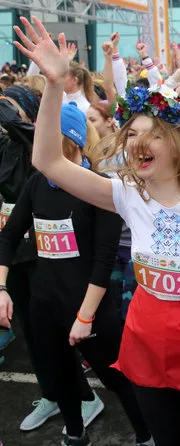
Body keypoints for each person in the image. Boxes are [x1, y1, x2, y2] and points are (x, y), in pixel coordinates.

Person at [12, 17, 180, 446]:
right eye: (132, 134)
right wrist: (54, 85)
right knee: (164, 440)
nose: (137, 143)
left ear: (177, 142)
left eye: (152, 134)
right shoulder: (126, 194)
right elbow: (48, 161)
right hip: (146, 337)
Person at [0, 100, 151, 446]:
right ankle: (74, 433)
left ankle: (146, 436)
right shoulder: (37, 185)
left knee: (116, 378)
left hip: (91, 308)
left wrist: (85, 316)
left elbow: (103, 259)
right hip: (45, 305)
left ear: (68, 141)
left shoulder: (100, 189)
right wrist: (1, 287)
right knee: (61, 375)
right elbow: (7, 236)